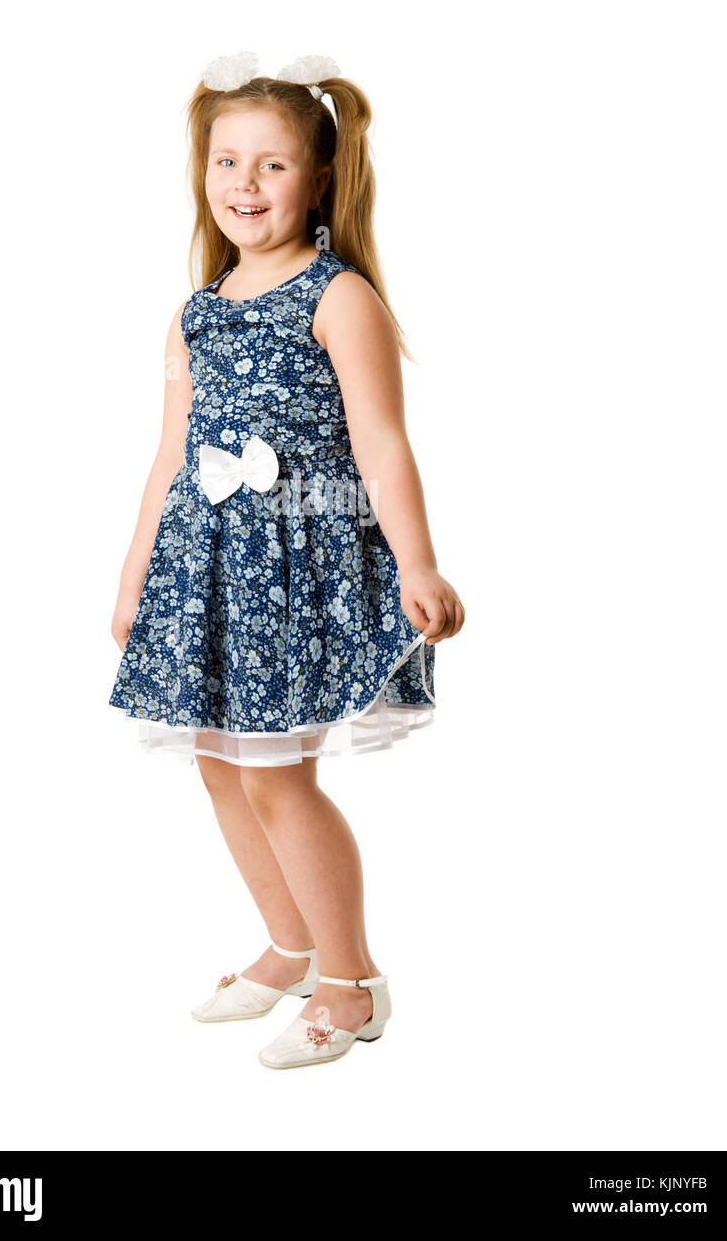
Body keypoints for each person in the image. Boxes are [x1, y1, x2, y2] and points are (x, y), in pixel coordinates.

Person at [109, 52, 464, 1069]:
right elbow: (170, 455)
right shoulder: (197, 309)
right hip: (206, 572)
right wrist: (135, 577)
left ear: (318, 179)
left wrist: (419, 565)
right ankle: (290, 946)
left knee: (276, 778)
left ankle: (352, 982)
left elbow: (382, 443)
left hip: (293, 574)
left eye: (272, 164)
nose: (245, 183)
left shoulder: (337, 295)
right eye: (227, 161)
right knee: (221, 768)